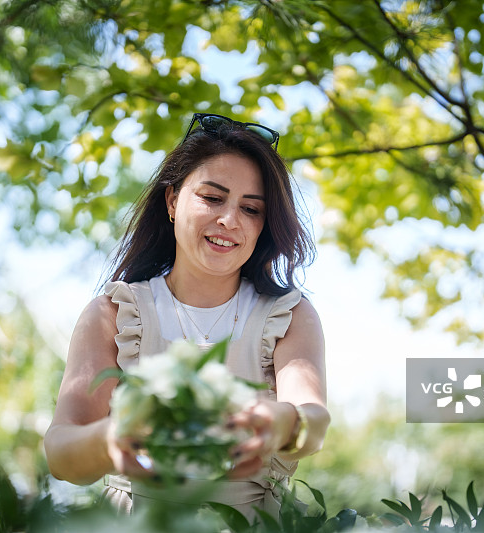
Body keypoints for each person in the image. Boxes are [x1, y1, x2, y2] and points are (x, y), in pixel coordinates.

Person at [44, 113, 331, 520]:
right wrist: (114, 439)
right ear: (173, 201)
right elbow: (60, 453)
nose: (230, 220)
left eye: (251, 209)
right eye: (213, 198)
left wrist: (281, 422)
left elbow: (314, 420)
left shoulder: (288, 315)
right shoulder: (112, 315)